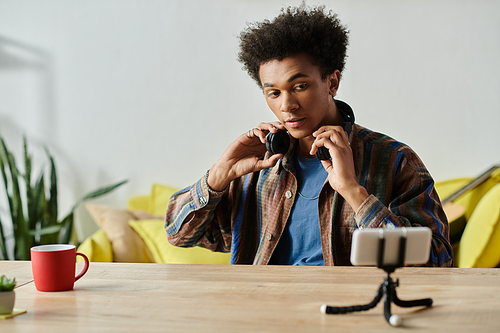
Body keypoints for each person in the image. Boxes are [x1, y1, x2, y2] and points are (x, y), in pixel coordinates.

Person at [165, 4, 453, 267]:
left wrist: (354, 192)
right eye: (273, 93)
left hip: (345, 316)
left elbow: (438, 262)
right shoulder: (257, 165)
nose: (286, 106)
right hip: (260, 313)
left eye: (300, 86)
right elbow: (179, 235)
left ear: (332, 82)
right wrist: (218, 175)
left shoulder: (394, 160)